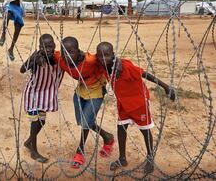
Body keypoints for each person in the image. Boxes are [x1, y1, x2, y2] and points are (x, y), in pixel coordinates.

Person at [96, 42, 176, 174]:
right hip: (123, 103)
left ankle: (150, 158)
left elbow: (145, 74)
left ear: (113, 55)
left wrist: (166, 87)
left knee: (144, 130)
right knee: (121, 129)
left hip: (138, 103)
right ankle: (122, 159)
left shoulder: (126, 66)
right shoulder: (103, 66)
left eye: (107, 55)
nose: (103, 58)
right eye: (100, 56)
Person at [53, 37, 114, 169]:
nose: (68, 56)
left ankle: (80, 152)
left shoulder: (91, 60)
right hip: (81, 90)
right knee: (83, 121)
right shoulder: (60, 58)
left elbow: (108, 63)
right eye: (65, 52)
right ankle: (107, 137)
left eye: (71, 52)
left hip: (96, 90)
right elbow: (49, 54)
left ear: (78, 50)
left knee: (86, 123)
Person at [21, 34, 64, 163]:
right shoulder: (37, 58)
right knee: (35, 122)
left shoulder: (58, 58)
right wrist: (32, 58)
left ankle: (29, 142)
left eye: (51, 46)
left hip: (45, 95)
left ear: (54, 46)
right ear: (40, 47)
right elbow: (22, 69)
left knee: (42, 121)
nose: (49, 49)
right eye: (45, 47)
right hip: (33, 94)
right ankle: (34, 151)